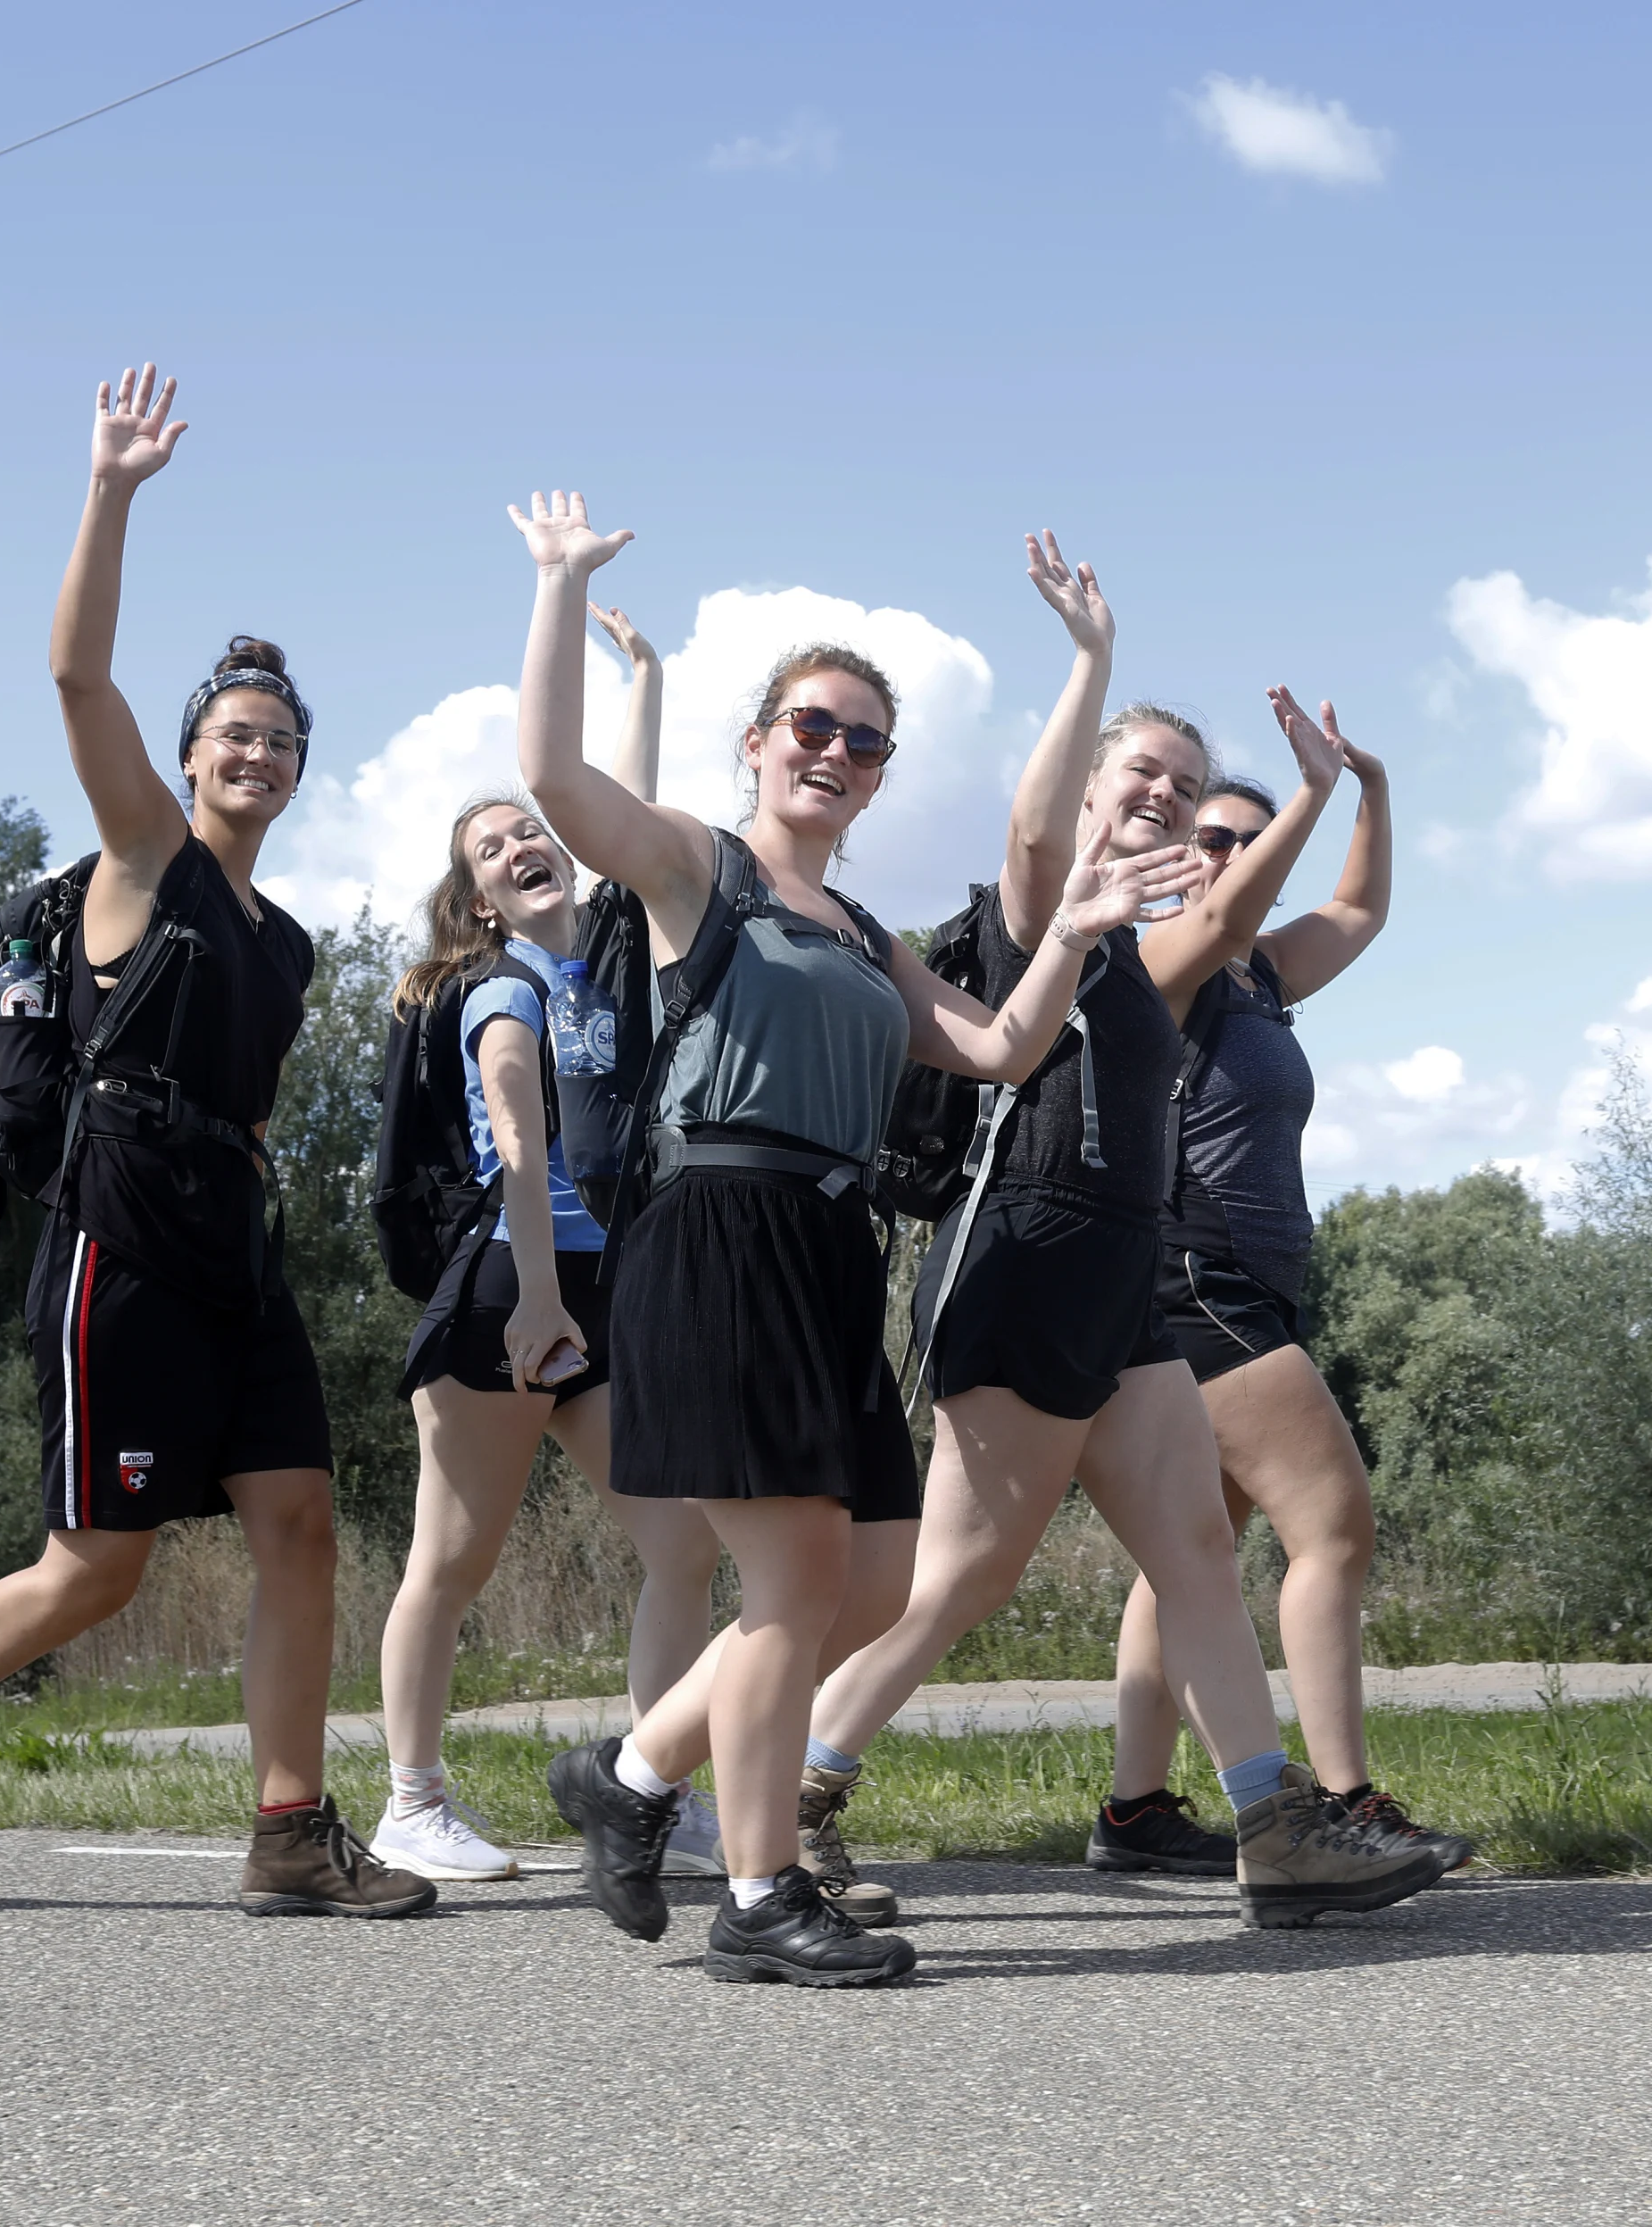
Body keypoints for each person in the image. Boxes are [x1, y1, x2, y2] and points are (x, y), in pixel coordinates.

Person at [511, 492, 1196, 1985]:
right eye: (812, 725)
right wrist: (559, 584)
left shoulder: (863, 931)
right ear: (758, 741)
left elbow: (1005, 1048)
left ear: (880, 777)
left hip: (828, 1251)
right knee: (795, 1584)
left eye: (864, 741)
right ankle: (758, 1894)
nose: (834, 751)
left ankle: (630, 1774)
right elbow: (556, 777)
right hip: (718, 1226)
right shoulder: (699, 867)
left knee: (874, 1581)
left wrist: (1076, 925)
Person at [0, 367, 430, 1918]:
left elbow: (253, 1105)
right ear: (191, 755)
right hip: (122, 1242)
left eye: (281, 738)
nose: (257, 754)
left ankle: (290, 1830)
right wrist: (112, 487)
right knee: (98, 1566)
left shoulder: (287, 945)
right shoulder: (145, 857)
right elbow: (77, 674)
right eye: (234, 733)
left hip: (236, 1253)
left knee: (301, 1523)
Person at [754, 536, 1449, 1934]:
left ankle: (1272, 1827)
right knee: (963, 1578)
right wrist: (1091, 662)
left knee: (1193, 1544)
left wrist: (1342, 789)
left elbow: (1306, 913)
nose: (1169, 800)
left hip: (1119, 1273)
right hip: (1024, 1256)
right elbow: (1033, 840)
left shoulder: (1146, 949)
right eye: (1145, 776)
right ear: (1088, 788)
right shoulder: (1047, 913)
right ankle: (779, 1793)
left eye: (1187, 788)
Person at [366, 603, 734, 1884]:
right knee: (453, 1557)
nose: (522, 843)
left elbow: (612, 804)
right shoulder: (499, 985)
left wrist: (647, 677)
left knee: (682, 1542)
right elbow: (518, 1142)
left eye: (528, 828)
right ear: (475, 899)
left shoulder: (614, 962)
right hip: (507, 1291)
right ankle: (411, 1803)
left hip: (597, 1289)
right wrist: (534, 1297)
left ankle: (654, 1789)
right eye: (492, 846)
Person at [1096, 696, 1473, 1876]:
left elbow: (1357, 909)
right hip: (1196, 1274)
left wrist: (1371, 788)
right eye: (1214, 836)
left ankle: (1135, 1811)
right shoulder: (1162, 959)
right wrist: (1306, 796)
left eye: (1253, 840)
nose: (1233, 855)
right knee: (1334, 1524)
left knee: (1191, 1549)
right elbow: (1223, 911)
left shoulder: (1259, 974)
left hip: (1239, 1278)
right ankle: (1346, 1802)